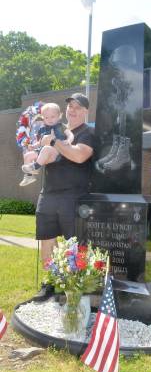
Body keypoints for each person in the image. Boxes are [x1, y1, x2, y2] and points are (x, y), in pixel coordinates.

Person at [33, 93, 94, 301]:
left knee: (74, 242)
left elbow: (79, 155)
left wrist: (55, 142)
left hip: (74, 196)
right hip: (48, 194)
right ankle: (50, 282)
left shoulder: (88, 132)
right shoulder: (52, 128)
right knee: (47, 240)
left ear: (86, 111)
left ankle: (75, 284)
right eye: (70, 106)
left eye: (78, 107)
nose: (73, 110)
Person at [21, 103, 74, 179]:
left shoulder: (61, 126)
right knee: (28, 155)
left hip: (56, 151)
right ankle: (29, 176)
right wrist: (33, 146)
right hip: (42, 151)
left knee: (46, 148)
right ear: (43, 118)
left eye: (52, 117)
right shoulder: (42, 129)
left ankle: (36, 166)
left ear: (59, 116)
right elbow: (40, 142)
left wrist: (69, 141)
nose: (50, 119)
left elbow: (70, 134)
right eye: (46, 117)